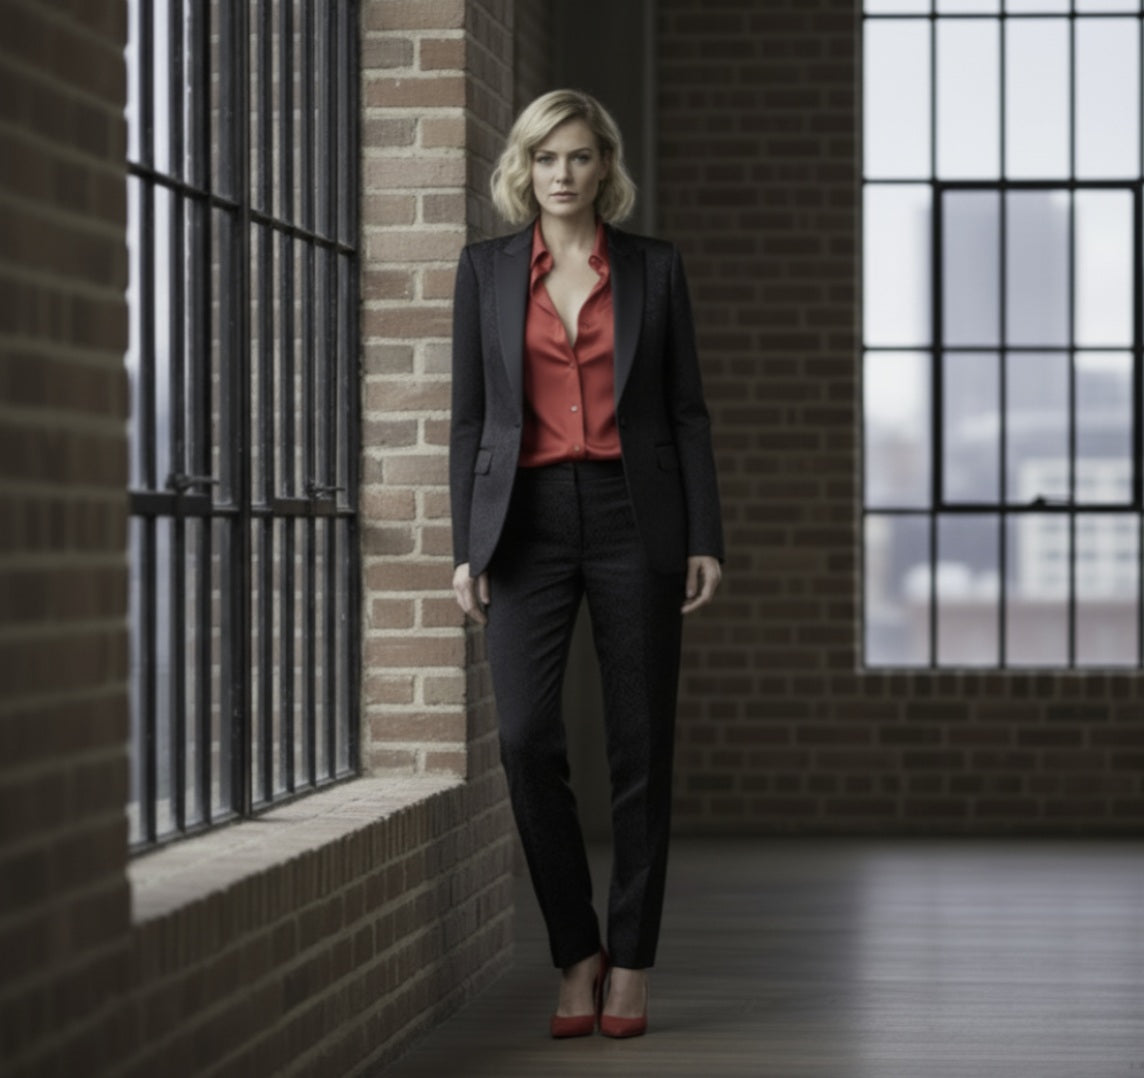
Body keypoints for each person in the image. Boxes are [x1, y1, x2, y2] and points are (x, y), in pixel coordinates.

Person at [448, 88, 724, 1039]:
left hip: (630, 516)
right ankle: (577, 951)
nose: (560, 175)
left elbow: (686, 412)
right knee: (526, 739)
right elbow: (471, 423)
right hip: (522, 523)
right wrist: (466, 546)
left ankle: (632, 961)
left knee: (641, 743)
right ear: (522, 170)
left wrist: (703, 536)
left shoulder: (655, 269)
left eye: (577, 157)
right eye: (544, 158)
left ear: (605, 166)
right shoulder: (484, 272)